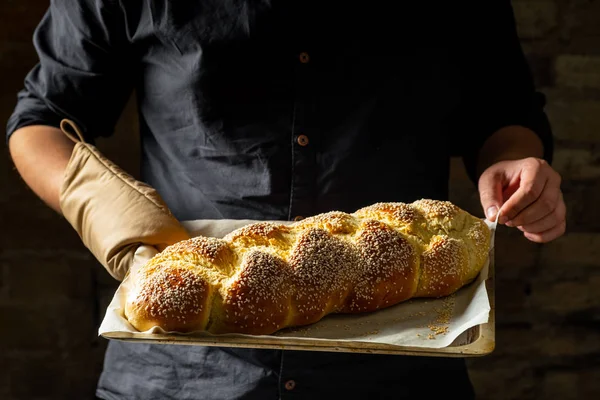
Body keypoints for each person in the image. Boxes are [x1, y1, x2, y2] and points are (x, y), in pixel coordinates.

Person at [6, 1, 566, 399]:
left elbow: (504, 108)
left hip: (399, 365)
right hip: (181, 373)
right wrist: (112, 216)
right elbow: (39, 121)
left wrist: (513, 160)